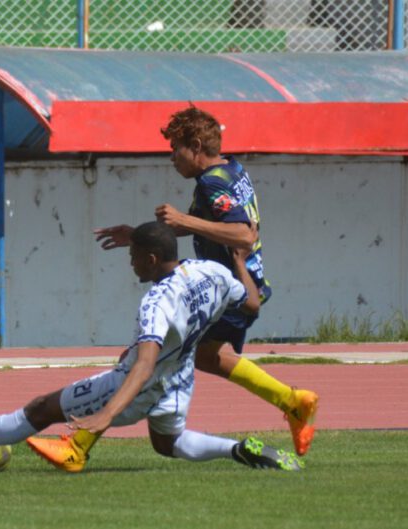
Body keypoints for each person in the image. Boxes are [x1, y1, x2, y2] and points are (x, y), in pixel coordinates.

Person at [0, 222, 303, 473]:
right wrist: (240, 265)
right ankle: (242, 450)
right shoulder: (210, 273)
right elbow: (252, 303)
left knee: (42, 408)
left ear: (150, 259)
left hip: (138, 383)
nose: (130, 265)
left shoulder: (157, 302)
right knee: (168, 445)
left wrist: (105, 416)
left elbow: (143, 366)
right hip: (179, 378)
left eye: (133, 257)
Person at [93, 106, 317, 456]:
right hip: (231, 285)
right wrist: (138, 234)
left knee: (156, 351)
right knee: (204, 356)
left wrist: (183, 219)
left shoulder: (212, 182)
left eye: (175, 148)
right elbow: (204, 225)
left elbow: (243, 234)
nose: (171, 158)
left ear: (195, 145)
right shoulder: (231, 169)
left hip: (230, 290)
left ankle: (93, 428)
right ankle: (292, 401)